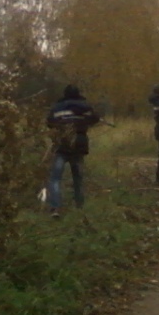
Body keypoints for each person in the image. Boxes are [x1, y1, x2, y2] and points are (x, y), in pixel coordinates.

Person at [44, 84, 102, 217]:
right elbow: (95, 118)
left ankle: (55, 208)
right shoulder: (85, 107)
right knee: (78, 177)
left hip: (61, 145)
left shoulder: (57, 107)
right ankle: (79, 207)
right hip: (79, 144)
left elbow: (49, 122)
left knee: (55, 178)